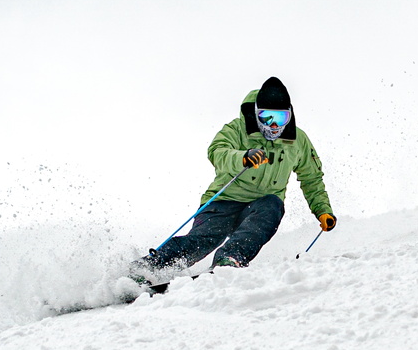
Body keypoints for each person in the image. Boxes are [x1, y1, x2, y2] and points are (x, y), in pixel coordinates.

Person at [130, 77, 336, 291]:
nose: (274, 125)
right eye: (266, 117)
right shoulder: (238, 128)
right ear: (256, 114)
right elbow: (217, 150)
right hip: (225, 200)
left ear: (290, 115)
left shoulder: (298, 140)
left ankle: (230, 259)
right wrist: (242, 157)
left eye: (281, 117)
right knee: (204, 239)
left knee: (271, 208)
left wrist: (323, 211)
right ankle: (146, 268)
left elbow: (312, 179)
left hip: (262, 204)